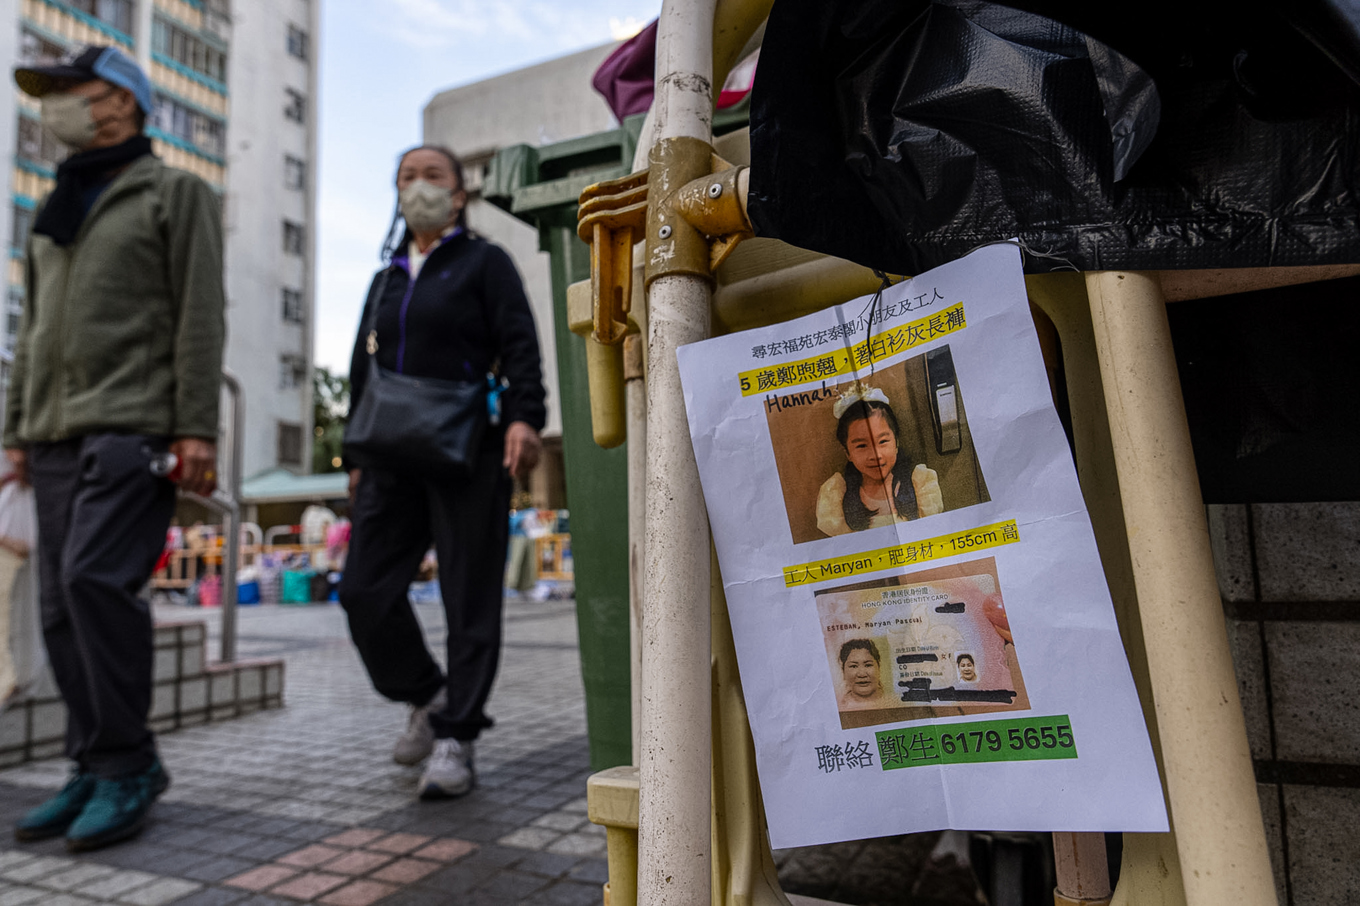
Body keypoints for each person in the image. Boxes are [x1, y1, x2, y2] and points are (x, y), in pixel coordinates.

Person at [2, 45, 223, 850]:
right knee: (60, 606)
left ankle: (130, 764)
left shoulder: (176, 192)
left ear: (119, 103)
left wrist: (197, 424)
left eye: (70, 92)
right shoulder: (55, 207)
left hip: (134, 426)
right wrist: (16, 434)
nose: (53, 107)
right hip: (53, 434)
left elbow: (200, 313)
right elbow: (32, 333)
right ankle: (92, 764)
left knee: (98, 581)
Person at [339, 145, 546, 799]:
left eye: (433, 176)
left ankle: (457, 737)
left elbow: (520, 345)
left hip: (469, 451)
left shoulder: (486, 262)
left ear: (459, 195)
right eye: (406, 177)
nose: (418, 187)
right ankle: (428, 695)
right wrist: (353, 454)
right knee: (363, 591)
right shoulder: (386, 277)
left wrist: (524, 418)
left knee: (469, 598)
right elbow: (359, 371)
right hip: (389, 457)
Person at [817, 383, 944, 537]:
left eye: (883, 442)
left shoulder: (920, 485)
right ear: (848, 453)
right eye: (862, 446)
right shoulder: (836, 496)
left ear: (896, 443)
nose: (876, 455)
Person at [838, 638, 889, 710]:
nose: (862, 674)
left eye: (868, 665)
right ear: (843, 671)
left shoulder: (895, 701)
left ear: (879, 667)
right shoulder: (838, 706)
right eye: (854, 666)